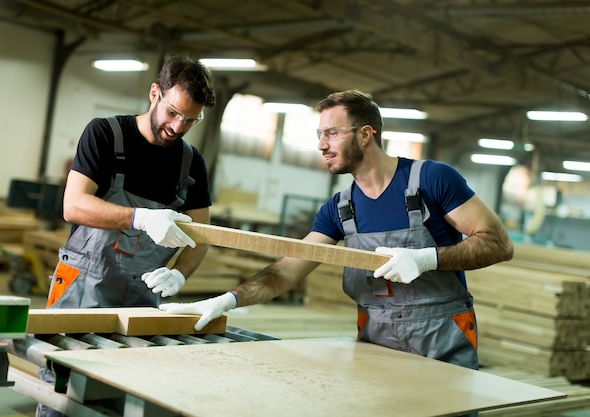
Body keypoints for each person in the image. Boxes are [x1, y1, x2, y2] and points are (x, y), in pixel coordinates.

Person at [161, 89, 514, 373]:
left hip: (442, 339)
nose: (321, 145)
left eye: (331, 133)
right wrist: (228, 300)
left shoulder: (432, 180)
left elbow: (498, 244)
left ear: (365, 135)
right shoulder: (340, 209)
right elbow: (286, 271)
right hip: (378, 346)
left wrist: (428, 258)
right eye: (319, 134)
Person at [37, 55, 215, 417]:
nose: (178, 126)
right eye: (173, 112)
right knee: (62, 396)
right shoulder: (105, 134)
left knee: (121, 400)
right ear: (155, 93)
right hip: (82, 288)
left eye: (190, 120)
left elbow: (203, 234)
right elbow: (73, 205)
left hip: (139, 303)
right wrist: (140, 217)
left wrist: (181, 272)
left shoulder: (190, 162)